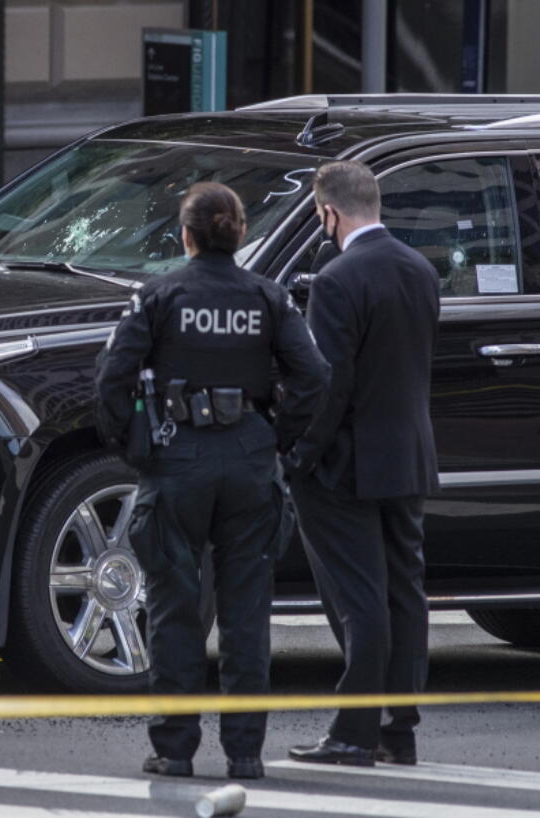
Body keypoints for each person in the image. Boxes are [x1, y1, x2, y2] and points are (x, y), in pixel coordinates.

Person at [95, 182, 330, 780]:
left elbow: (111, 379)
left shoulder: (159, 295)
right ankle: (245, 753)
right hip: (251, 460)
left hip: (177, 459)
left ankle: (174, 751)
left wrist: (131, 444)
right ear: (241, 232)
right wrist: (276, 435)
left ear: (187, 236)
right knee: (246, 613)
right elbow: (314, 377)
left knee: (175, 609)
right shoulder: (269, 297)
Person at [284, 160, 440, 767]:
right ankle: (398, 730)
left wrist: (300, 454)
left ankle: (353, 732)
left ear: (329, 213)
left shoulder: (336, 278)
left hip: (344, 465)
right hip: (408, 456)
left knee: (358, 600)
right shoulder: (421, 269)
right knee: (404, 592)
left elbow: (330, 384)